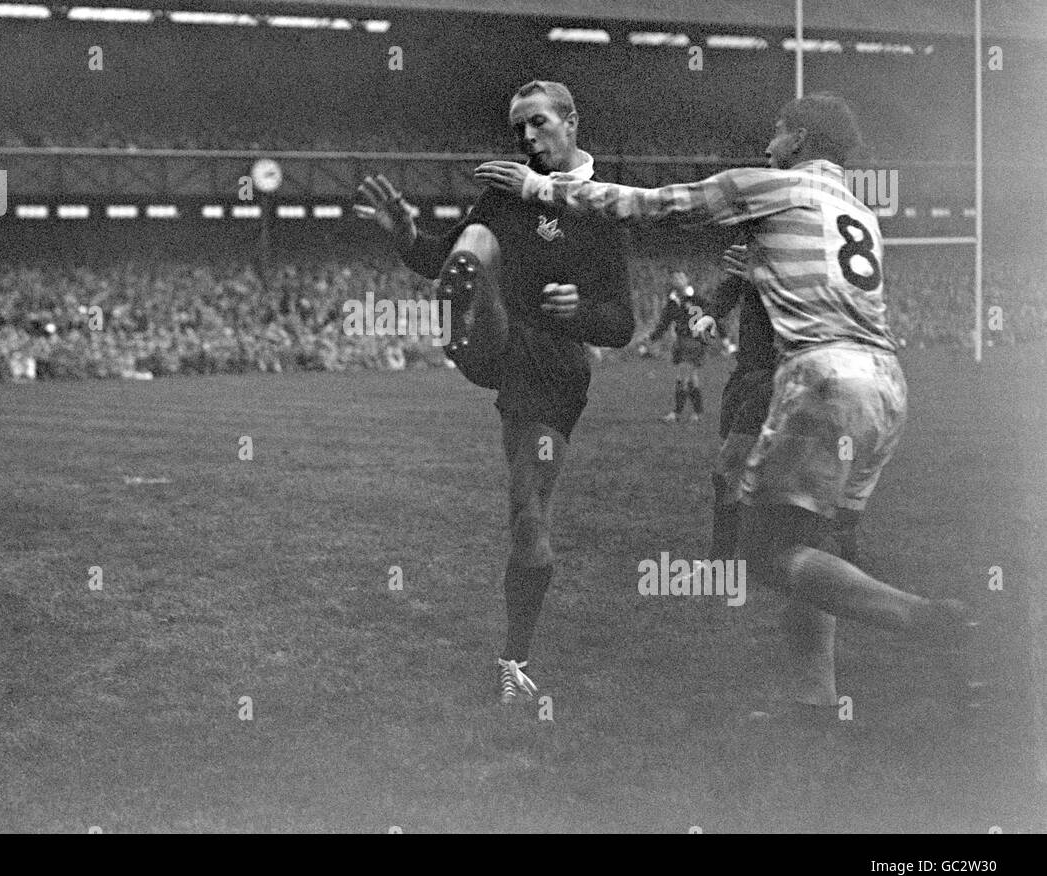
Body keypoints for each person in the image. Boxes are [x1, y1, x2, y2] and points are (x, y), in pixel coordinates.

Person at [476, 94, 974, 667]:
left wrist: (537, 189)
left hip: (823, 377)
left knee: (764, 554)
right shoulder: (858, 213)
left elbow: (653, 205)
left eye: (778, 133)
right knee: (811, 546)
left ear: (801, 140)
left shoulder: (772, 184)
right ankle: (818, 700)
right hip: (886, 384)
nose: (768, 145)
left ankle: (918, 615)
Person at [355, 80, 635, 707]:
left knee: (528, 515)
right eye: (518, 129)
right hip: (506, 351)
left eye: (537, 124)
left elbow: (622, 322)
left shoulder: (603, 207)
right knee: (476, 243)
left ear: (571, 122)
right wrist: (403, 233)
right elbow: (440, 256)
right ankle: (470, 327)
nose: (526, 138)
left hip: (551, 375)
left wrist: (581, 310)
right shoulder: (505, 195)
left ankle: (515, 658)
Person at [641, 270, 709, 423]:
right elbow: (664, 323)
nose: (677, 280)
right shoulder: (673, 301)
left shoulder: (696, 299)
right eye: (674, 278)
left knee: (682, 377)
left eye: (681, 277)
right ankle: (698, 414)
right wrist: (651, 340)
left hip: (694, 343)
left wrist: (724, 339)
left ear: (687, 280)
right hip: (681, 342)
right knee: (692, 379)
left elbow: (712, 314)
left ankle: (676, 414)